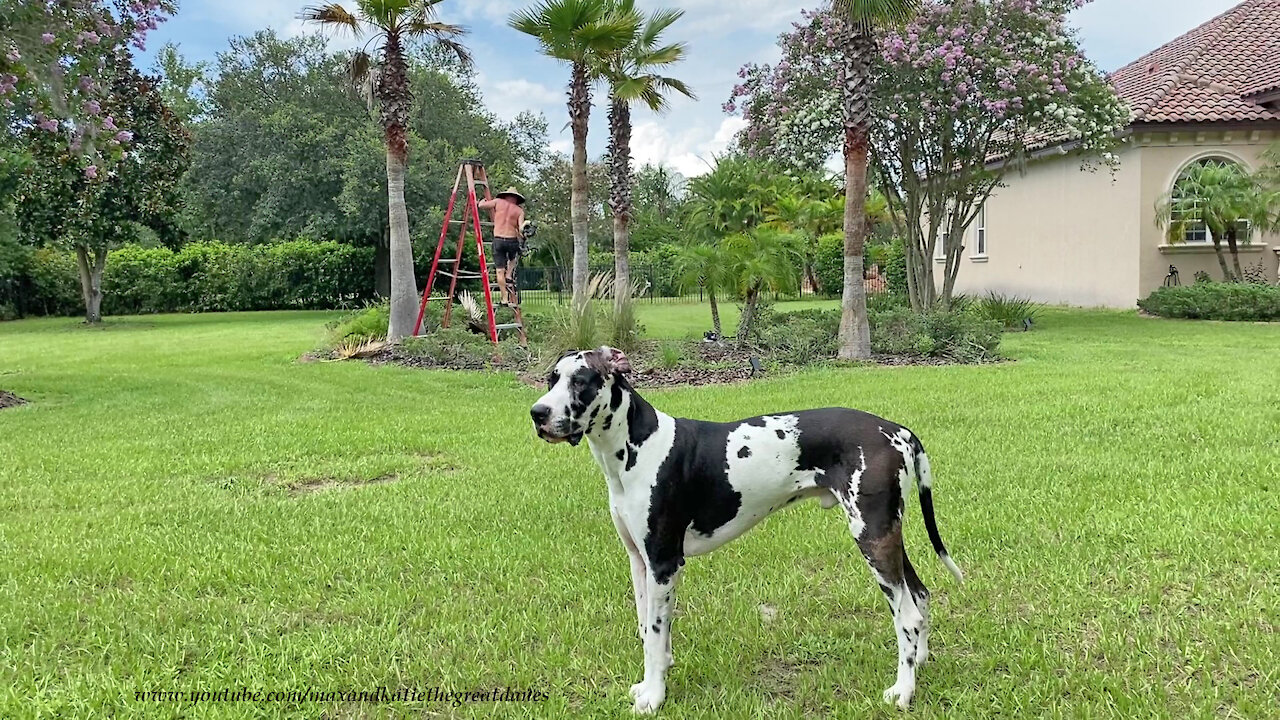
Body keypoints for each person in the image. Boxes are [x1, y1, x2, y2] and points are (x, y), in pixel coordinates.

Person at [478, 187, 526, 307]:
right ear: (516, 198)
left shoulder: (498, 202)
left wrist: (482, 201)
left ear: (506, 195)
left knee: (499, 271)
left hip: (498, 239)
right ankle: (509, 274)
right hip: (512, 240)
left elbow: (481, 206)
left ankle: (504, 298)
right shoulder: (519, 211)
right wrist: (525, 235)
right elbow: (521, 229)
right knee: (513, 258)